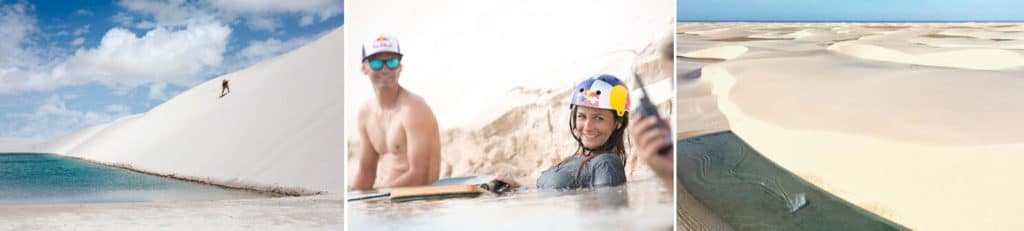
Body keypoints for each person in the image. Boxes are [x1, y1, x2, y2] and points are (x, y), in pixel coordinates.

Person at [350, 35, 442, 190]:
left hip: (416, 206)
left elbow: (420, 175)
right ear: (364, 68)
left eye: (392, 62)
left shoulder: (414, 108)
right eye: (377, 63)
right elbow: (366, 173)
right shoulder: (366, 113)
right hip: (386, 204)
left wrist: (378, 197)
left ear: (400, 67)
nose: (385, 69)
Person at [534, 74, 633, 189]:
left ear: (618, 123)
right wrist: (517, 187)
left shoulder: (606, 164)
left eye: (598, 118)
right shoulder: (578, 159)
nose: (588, 127)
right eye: (581, 116)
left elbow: (609, 205)